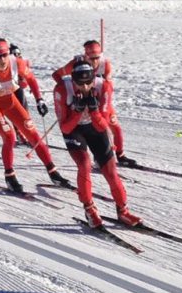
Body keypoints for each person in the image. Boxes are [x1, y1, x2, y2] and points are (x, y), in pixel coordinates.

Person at [0, 37, 67, 193]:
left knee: (32, 133)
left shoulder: (17, 63)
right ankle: (10, 176)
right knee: (9, 136)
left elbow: (32, 79)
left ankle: (53, 171)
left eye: (5, 55)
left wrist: (39, 100)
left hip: (9, 99)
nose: (2, 59)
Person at [54, 59, 139, 229]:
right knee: (84, 165)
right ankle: (89, 208)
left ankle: (123, 210)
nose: (85, 87)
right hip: (74, 129)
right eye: (80, 83)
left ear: (94, 78)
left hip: (95, 126)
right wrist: (77, 112)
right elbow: (65, 127)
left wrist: (93, 111)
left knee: (110, 170)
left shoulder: (104, 87)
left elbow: (102, 125)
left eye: (88, 82)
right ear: (73, 80)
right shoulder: (62, 90)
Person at [51, 39, 136, 166]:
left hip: (99, 99)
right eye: (91, 58)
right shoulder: (77, 63)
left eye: (97, 57)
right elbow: (56, 75)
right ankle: (97, 155)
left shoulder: (105, 64)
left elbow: (108, 86)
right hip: (80, 99)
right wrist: (69, 89)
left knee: (114, 126)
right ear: (86, 56)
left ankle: (120, 155)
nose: (95, 61)